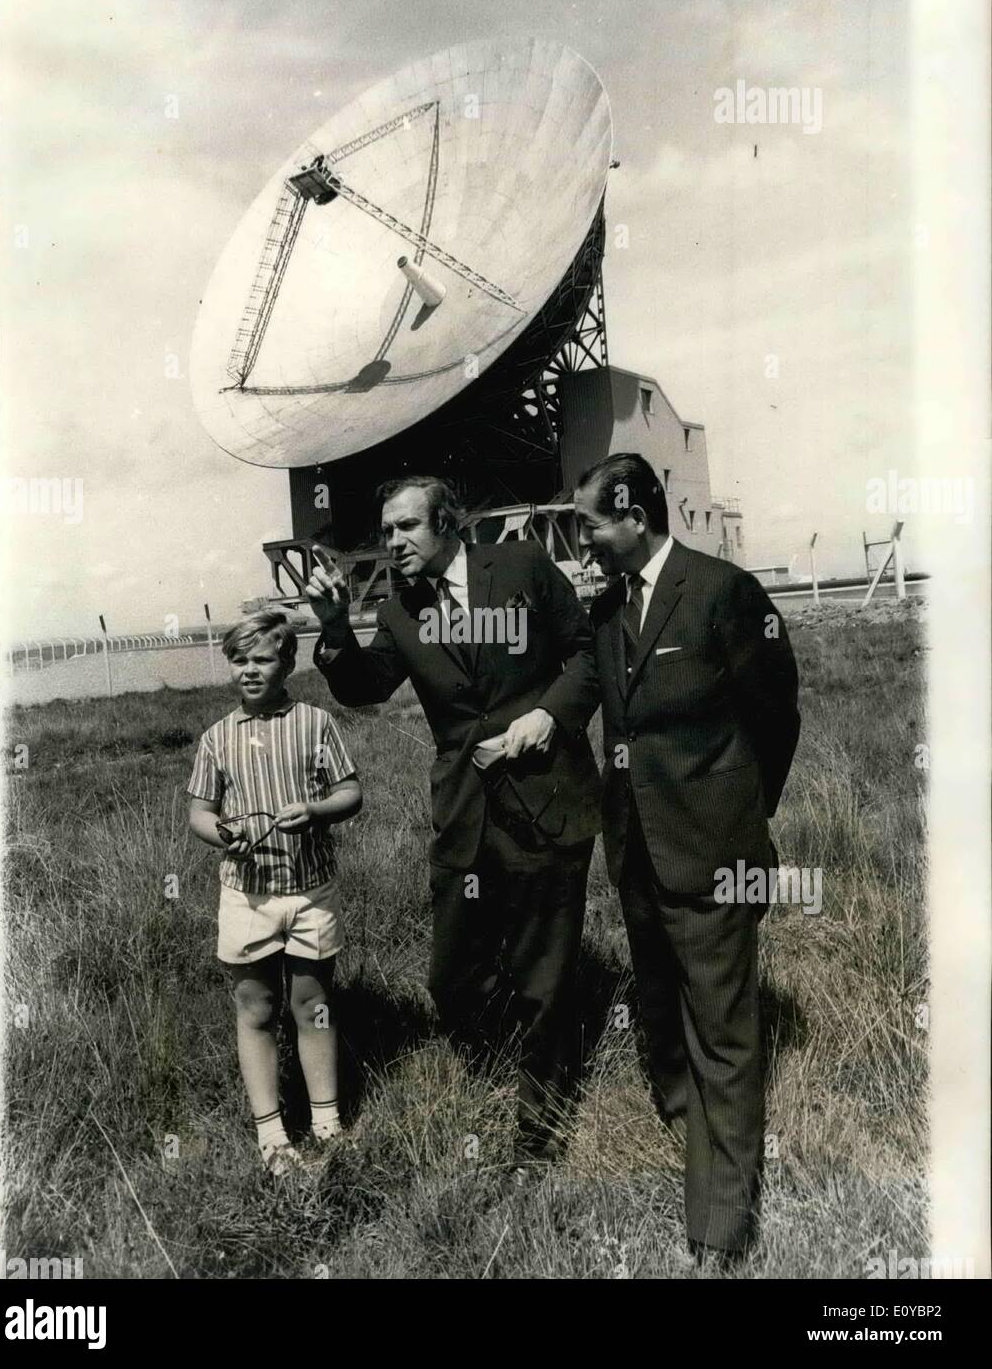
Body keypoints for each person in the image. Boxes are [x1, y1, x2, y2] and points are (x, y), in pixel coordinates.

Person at [306, 476, 601, 1169]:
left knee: (543, 973)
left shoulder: (523, 565)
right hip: (465, 814)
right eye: (386, 532)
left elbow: (586, 654)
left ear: (447, 524)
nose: (393, 543)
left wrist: (547, 716)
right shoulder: (402, 608)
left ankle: (540, 1121)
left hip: (545, 796)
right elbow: (365, 688)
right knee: (453, 977)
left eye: (406, 527)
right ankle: (516, 1054)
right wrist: (332, 626)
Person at [573, 452, 800, 1260]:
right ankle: (690, 1135)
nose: (583, 538)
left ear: (633, 515)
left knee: (726, 1038)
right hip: (636, 856)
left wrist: (734, 816)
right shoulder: (606, 615)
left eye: (591, 522)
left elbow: (775, 713)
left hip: (711, 853)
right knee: (666, 1020)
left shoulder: (720, 592)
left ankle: (721, 1229)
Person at [186, 609, 362, 1175]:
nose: (250, 670)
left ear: (288, 663)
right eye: (240, 660)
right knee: (255, 1005)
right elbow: (199, 811)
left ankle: (328, 1122)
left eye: (263, 659)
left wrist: (314, 810)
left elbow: (351, 793)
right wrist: (222, 835)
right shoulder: (217, 738)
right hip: (248, 895)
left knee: (311, 1004)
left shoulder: (315, 723)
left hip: (310, 890)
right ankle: (271, 1133)